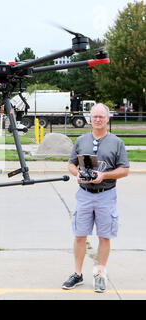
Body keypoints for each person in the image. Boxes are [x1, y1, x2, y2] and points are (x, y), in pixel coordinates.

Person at [62, 103, 129, 293]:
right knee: (79, 235)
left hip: (106, 195)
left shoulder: (117, 142)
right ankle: (77, 273)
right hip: (84, 194)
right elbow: (71, 164)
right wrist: (78, 174)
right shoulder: (82, 140)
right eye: (94, 116)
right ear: (90, 118)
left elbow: (124, 170)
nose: (97, 119)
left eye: (101, 116)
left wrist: (104, 176)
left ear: (108, 119)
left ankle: (100, 273)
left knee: (104, 236)